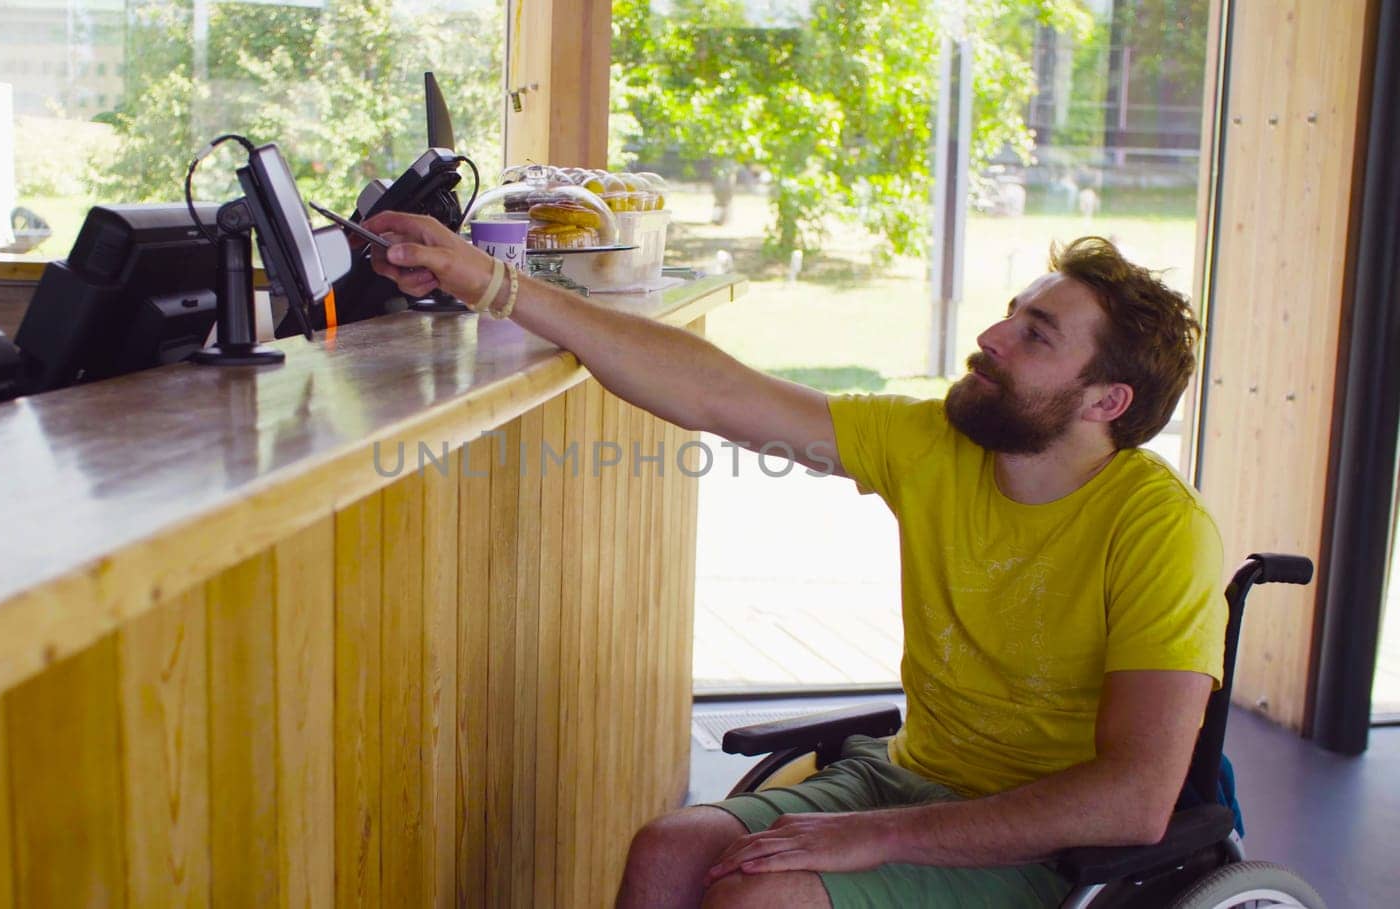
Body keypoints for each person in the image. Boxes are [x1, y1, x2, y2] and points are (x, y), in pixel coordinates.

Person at [364, 211, 1223, 909]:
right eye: (1011, 312)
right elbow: (716, 392)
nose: (992, 336)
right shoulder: (936, 444)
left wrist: (880, 838)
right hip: (906, 777)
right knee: (670, 849)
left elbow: (1134, 797)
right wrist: (493, 284)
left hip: (1044, 843)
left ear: (1107, 400)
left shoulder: (1158, 530)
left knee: (762, 895)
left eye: (1036, 335)